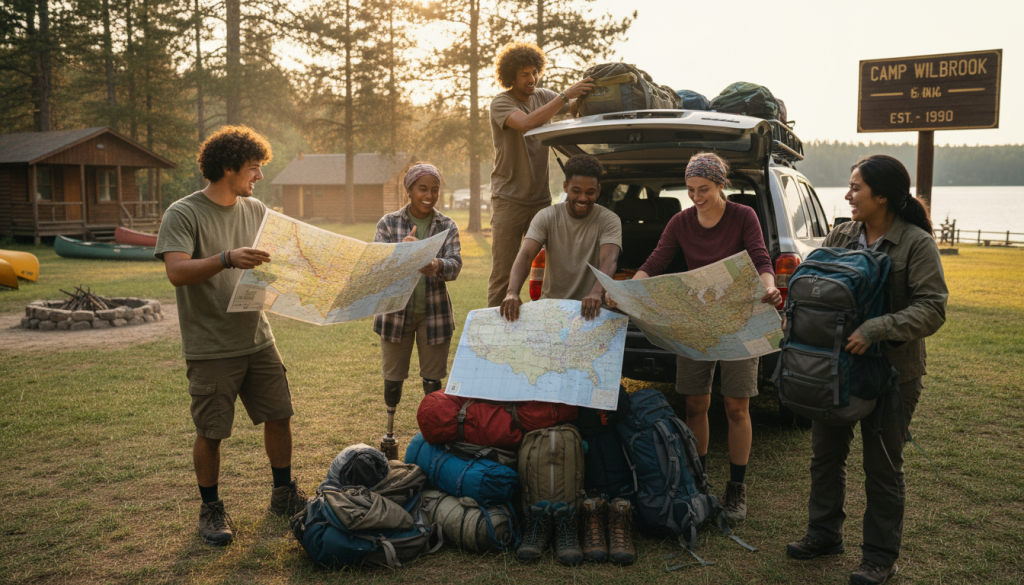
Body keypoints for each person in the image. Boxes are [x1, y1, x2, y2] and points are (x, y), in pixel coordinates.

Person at [785, 155, 947, 585]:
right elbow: (819, 287)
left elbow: (933, 308)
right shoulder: (841, 234)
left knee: (882, 467)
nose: (848, 195)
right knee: (825, 456)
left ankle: (879, 557)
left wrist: (877, 328)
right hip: (835, 369)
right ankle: (824, 534)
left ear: (883, 196)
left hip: (893, 374)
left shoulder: (916, 243)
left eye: (856, 188)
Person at [605, 152, 781, 525]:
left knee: (736, 407)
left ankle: (736, 487)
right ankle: (699, 483)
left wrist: (769, 286)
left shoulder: (743, 216)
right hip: (695, 323)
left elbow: (761, 258)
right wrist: (627, 292)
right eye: (690, 189)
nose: (696, 197)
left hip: (740, 321)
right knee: (695, 405)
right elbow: (656, 261)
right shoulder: (680, 222)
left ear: (721, 184)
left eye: (704, 189)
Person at [154, 125, 307, 547]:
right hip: (211, 345)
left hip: (258, 336)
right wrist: (225, 258)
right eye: (253, 168)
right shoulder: (183, 213)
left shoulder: (255, 210)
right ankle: (211, 509)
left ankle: (283, 493)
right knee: (212, 431)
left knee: (280, 414)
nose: (259, 176)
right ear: (228, 167)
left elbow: (276, 262)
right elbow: (176, 272)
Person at [486, 41, 596, 308]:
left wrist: (592, 96)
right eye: (524, 74)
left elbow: (573, 108)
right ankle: (493, 331)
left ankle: (548, 322)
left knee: (552, 270)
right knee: (504, 274)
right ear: (511, 76)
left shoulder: (544, 96)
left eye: (535, 72)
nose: (532, 79)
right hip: (509, 200)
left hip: (540, 200)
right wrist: (565, 96)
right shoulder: (501, 102)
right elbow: (526, 123)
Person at [373, 163, 462, 460]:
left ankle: (434, 438)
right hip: (395, 314)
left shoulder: (447, 225)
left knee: (433, 381)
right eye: (422, 189)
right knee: (393, 377)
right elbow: (378, 266)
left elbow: (455, 266)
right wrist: (405, 252)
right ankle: (389, 436)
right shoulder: (388, 223)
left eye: (434, 190)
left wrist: (436, 264)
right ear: (409, 190)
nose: (429, 195)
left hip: (434, 315)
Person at [500, 153, 621, 322]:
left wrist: (595, 293)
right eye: (576, 191)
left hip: (592, 311)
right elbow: (526, 255)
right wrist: (512, 292)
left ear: (598, 190)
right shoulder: (546, 216)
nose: (583, 198)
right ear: (565, 187)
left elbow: (608, 260)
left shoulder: (609, 220)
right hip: (551, 309)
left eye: (590, 192)